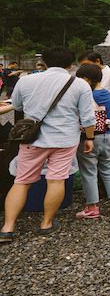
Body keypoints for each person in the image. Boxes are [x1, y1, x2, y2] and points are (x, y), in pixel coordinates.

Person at [1, 47, 96, 242]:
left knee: (22, 181)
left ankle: (8, 228)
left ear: (43, 62)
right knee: (56, 180)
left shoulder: (26, 81)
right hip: (64, 140)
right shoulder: (79, 85)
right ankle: (46, 223)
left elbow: (18, 106)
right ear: (70, 65)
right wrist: (89, 139)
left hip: (32, 139)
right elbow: (88, 118)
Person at [73, 63, 110, 219]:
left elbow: (86, 118)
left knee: (89, 173)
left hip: (91, 137)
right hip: (108, 135)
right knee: (108, 169)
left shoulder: (87, 94)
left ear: (87, 79)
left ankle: (92, 207)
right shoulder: (107, 94)